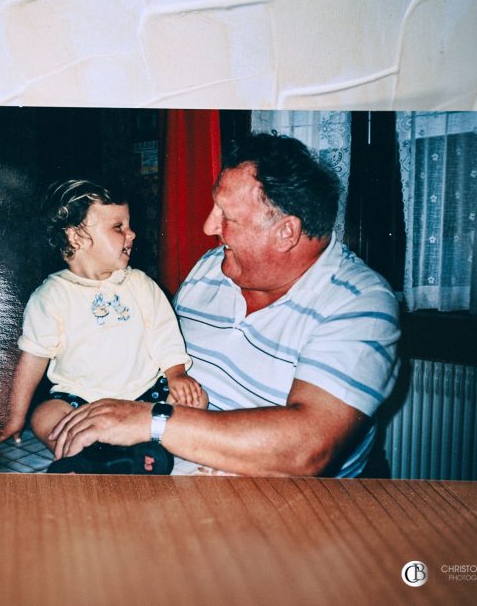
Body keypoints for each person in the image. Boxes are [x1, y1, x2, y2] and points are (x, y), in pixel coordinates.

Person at [49, 133, 401, 477]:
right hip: (163, 469)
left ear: (286, 233)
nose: (208, 226)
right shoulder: (209, 269)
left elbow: (307, 449)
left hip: (280, 507)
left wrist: (150, 421)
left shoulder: (360, 303)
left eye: (226, 217)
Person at [0, 179, 207, 474]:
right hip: (80, 402)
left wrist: (177, 374)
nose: (132, 234)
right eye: (118, 227)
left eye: (128, 225)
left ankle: (150, 448)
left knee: (196, 400)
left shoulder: (140, 284)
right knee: (44, 415)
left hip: (145, 397)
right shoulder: (51, 296)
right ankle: (90, 458)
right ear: (77, 236)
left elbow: (165, 335)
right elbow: (33, 359)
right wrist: (15, 417)